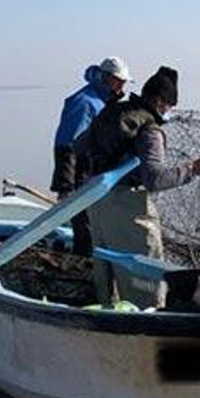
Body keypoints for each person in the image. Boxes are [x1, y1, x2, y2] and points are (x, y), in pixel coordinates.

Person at [75, 66, 200, 308]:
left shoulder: (114, 111)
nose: (169, 112)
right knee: (147, 282)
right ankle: (148, 328)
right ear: (161, 102)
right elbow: (154, 178)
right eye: (169, 106)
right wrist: (194, 169)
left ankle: (107, 322)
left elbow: (79, 146)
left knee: (106, 274)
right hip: (129, 209)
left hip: (96, 201)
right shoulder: (150, 131)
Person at [51, 57, 131, 255]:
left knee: (99, 226)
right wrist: (65, 186)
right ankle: (85, 267)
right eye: (119, 81)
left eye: (124, 82)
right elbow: (65, 144)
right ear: (106, 78)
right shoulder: (84, 102)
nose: (123, 86)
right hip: (81, 176)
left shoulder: (106, 101)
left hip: (98, 175)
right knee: (87, 228)